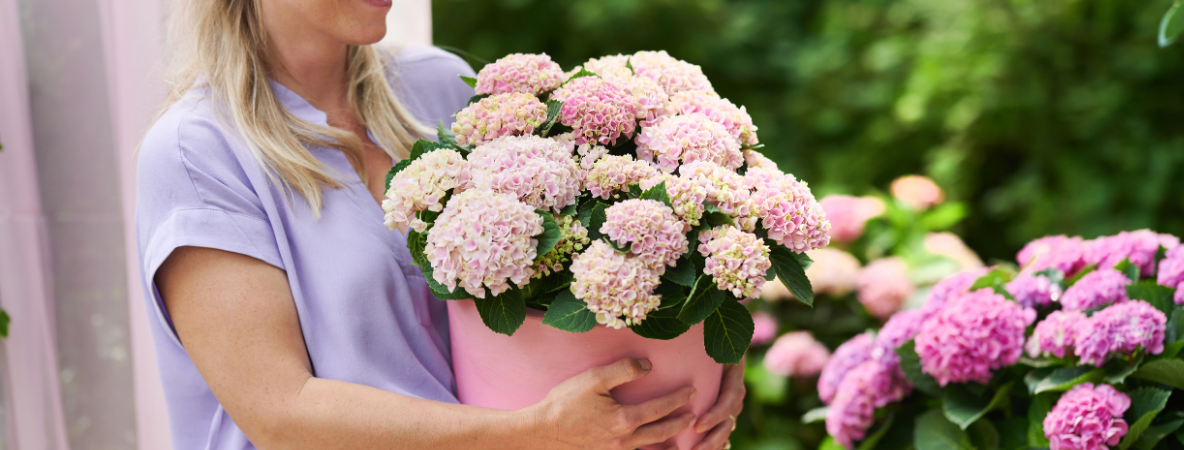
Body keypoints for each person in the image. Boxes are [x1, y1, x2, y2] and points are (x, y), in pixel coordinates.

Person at [135, 0, 745, 449]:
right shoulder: (196, 152)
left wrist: (707, 362)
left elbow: (574, 275)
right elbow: (280, 413)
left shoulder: (436, 87)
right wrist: (533, 433)